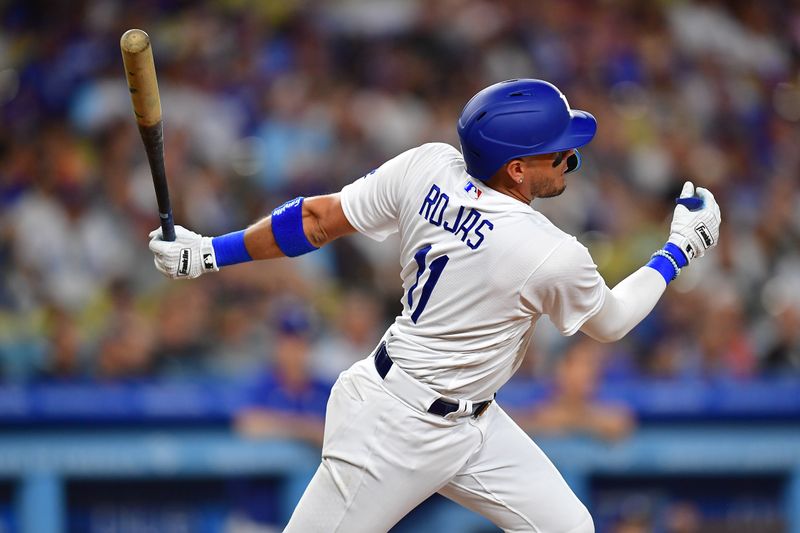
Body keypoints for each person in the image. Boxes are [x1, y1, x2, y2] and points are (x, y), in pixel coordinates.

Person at [149, 79, 721, 532]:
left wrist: (210, 254)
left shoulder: (429, 166)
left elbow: (316, 219)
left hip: (473, 421)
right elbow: (614, 321)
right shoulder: (547, 251)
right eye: (561, 155)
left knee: (567, 525)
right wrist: (680, 248)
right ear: (517, 169)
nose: (571, 160)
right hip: (392, 424)